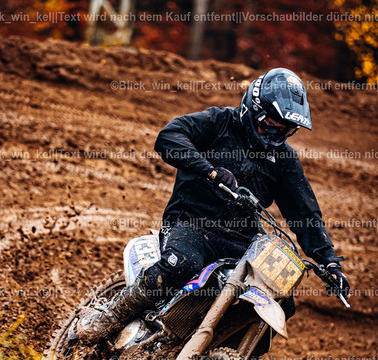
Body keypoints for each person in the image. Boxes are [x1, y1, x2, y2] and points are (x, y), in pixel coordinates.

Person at [76, 67, 350, 344]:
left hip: (243, 240)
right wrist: (210, 171)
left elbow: (305, 212)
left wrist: (329, 261)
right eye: (269, 124)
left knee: (283, 301)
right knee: (183, 264)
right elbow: (169, 137)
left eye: (285, 130)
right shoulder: (219, 122)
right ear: (253, 108)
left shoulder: (284, 158)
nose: (274, 135)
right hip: (192, 221)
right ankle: (109, 316)